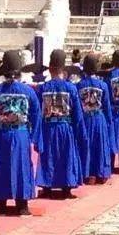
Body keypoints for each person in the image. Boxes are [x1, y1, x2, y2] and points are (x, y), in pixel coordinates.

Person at [0, 49, 41, 216]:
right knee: (22, 166)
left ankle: (1, 204)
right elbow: (35, 115)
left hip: (1, 134)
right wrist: (32, 136)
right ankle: (22, 204)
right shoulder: (28, 91)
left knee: (0, 167)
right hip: (20, 133)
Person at [35, 49, 85, 199]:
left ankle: (47, 185)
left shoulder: (42, 88)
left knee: (48, 155)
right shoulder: (70, 88)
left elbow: (37, 112)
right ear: (64, 69)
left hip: (48, 126)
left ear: (50, 68)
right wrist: (79, 131)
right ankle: (66, 187)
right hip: (65, 125)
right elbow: (77, 113)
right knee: (66, 155)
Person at [76, 52, 114, 185]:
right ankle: (100, 172)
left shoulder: (79, 85)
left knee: (86, 145)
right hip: (99, 118)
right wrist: (109, 123)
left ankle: (87, 173)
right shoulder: (102, 85)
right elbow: (107, 106)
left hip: (85, 118)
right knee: (99, 145)